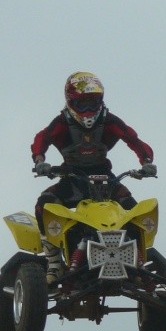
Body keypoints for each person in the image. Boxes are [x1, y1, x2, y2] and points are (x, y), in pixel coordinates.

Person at [31, 71, 157, 281]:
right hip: (72, 178)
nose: (89, 111)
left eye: (93, 103)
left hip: (106, 179)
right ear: (71, 102)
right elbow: (41, 139)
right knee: (43, 205)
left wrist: (146, 163)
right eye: (83, 104)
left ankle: (138, 260)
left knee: (134, 213)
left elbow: (132, 138)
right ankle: (54, 262)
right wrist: (40, 160)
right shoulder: (62, 122)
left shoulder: (109, 121)